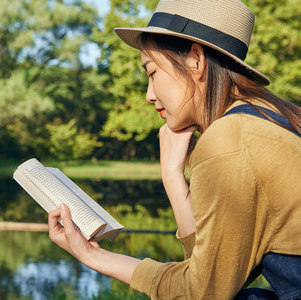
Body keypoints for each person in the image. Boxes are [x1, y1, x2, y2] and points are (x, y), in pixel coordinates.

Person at [48, 0, 301, 299]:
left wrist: (93, 255)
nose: (148, 95)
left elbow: (203, 292)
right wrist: (172, 176)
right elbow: (218, 274)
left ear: (195, 59)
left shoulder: (229, 140)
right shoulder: (271, 117)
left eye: (152, 73)